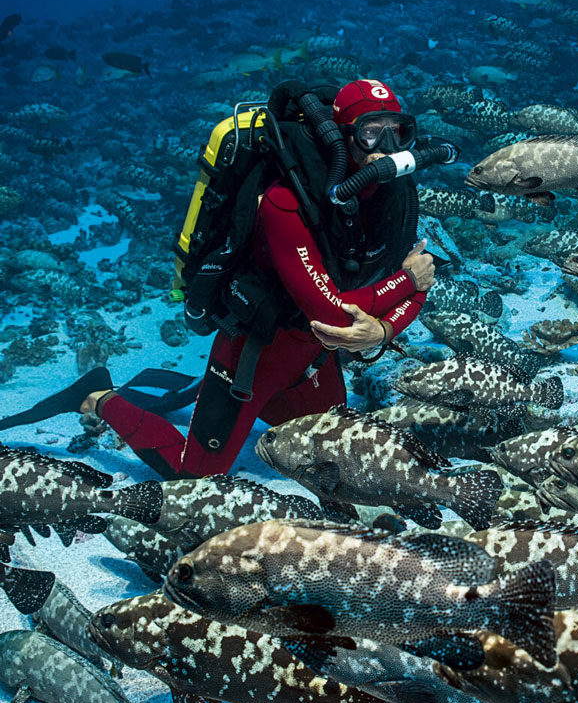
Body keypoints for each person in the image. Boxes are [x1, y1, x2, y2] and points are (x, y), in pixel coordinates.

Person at [3, 79, 436, 478]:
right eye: (370, 131)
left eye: (398, 131)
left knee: (338, 451)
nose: (386, 147)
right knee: (196, 473)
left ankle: (210, 400)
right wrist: (396, 294)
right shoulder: (285, 201)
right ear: (338, 137)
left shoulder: (393, 195)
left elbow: (422, 277)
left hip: (312, 359)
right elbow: (343, 308)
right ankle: (97, 397)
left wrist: (382, 328)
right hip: (254, 354)